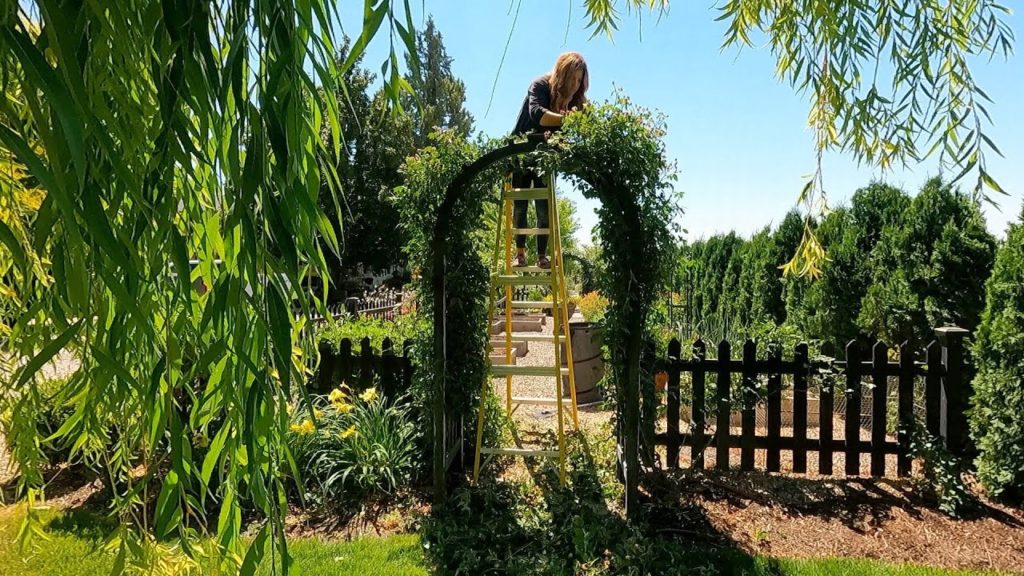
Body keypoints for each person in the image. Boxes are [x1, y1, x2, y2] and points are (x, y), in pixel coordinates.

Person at [510, 52, 589, 269]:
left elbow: (585, 123)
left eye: (579, 80)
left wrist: (584, 119)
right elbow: (538, 114)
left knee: (544, 206)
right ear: (563, 73)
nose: (575, 84)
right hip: (522, 152)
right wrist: (568, 119)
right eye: (573, 78)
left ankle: (542, 255)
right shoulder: (540, 85)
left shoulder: (574, 99)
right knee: (520, 205)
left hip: (545, 157)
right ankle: (520, 254)